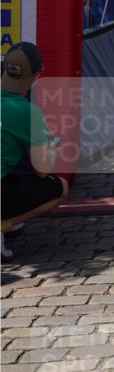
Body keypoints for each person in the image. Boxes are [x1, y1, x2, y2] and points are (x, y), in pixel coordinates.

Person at [1, 43, 69, 261]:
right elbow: (43, 170)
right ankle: (3, 224)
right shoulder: (28, 112)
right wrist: (50, 144)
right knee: (60, 188)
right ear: (37, 75)